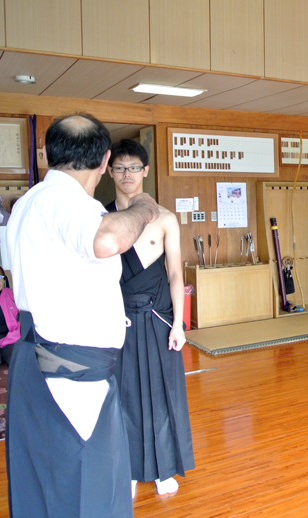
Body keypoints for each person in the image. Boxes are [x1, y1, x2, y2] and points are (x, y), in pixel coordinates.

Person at [6, 113, 160, 518]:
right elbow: (107, 239)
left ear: (46, 154)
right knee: (89, 490)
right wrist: (144, 207)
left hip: (38, 361)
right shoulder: (68, 202)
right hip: (69, 374)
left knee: (43, 485)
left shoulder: (28, 202)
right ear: (106, 160)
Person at [105, 138, 194, 497]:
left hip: (159, 318)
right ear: (109, 171)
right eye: (119, 167)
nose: (126, 174)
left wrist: (179, 324)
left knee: (163, 393)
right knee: (121, 394)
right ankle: (126, 468)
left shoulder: (166, 218)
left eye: (133, 167)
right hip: (117, 319)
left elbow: (175, 273)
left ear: (145, 171)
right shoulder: (102, 220)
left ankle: (164, 468)